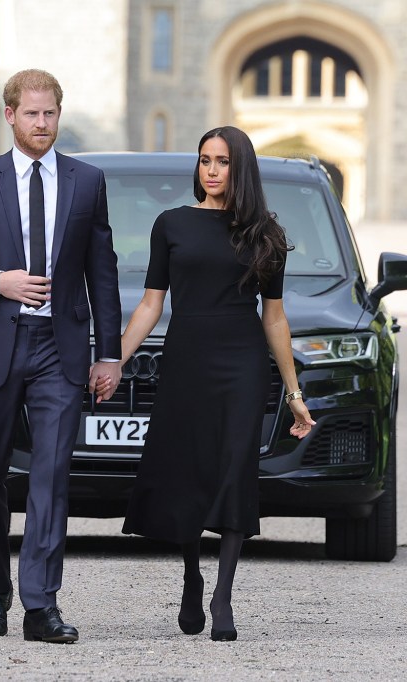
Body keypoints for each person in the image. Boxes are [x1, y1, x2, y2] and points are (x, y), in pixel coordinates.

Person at [0, 69, 122, 643]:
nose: (42, 124)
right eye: (31, 113)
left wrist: (107, 354)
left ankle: (41, 604)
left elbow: (102, 274)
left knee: (51, 474)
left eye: (50, 114)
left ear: (59, 115)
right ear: (8, 115)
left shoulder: (87, 181)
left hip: (58, 351)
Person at [108, 126, 315, 642]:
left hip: (242, 363)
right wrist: (111, 360)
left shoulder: (265, 233)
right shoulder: (171, 224)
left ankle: (223, 593)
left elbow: (275, 319)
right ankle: (192, 576)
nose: (212, 170)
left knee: (234, 468)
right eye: (205, 160)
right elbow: (151, 304)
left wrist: (294, 395)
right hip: (186, 361)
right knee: (187, 470)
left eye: (222, 161)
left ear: (239, 167)